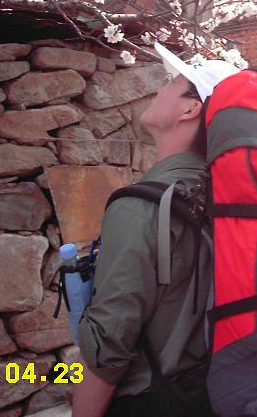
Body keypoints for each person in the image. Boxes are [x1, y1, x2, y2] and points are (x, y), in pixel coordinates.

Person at [73, 43, 238, 417]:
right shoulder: (226, 198)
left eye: (171, 82)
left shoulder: (141, 207)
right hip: (210, 395)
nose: (159, 88)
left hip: (149, 400)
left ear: (190, 109)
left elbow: (108, 344)